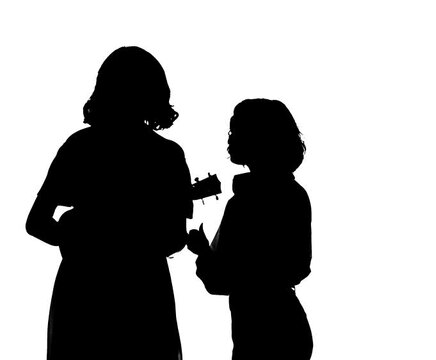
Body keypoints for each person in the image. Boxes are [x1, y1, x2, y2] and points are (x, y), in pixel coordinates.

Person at [26, 46, 192, 360]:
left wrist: (78, 236)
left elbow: (37, 222)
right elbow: (175, 238)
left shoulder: (80, 147)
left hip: (83, 289)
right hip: (143, 291)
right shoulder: (167, 155)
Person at [187, 99, 313, 360]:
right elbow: (297, 265)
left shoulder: (244, 201)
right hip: (282, 325)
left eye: (237, 131)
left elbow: (221, 280)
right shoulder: (294, 194)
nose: (230, 139)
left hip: (259, 330)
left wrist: (202, 252)